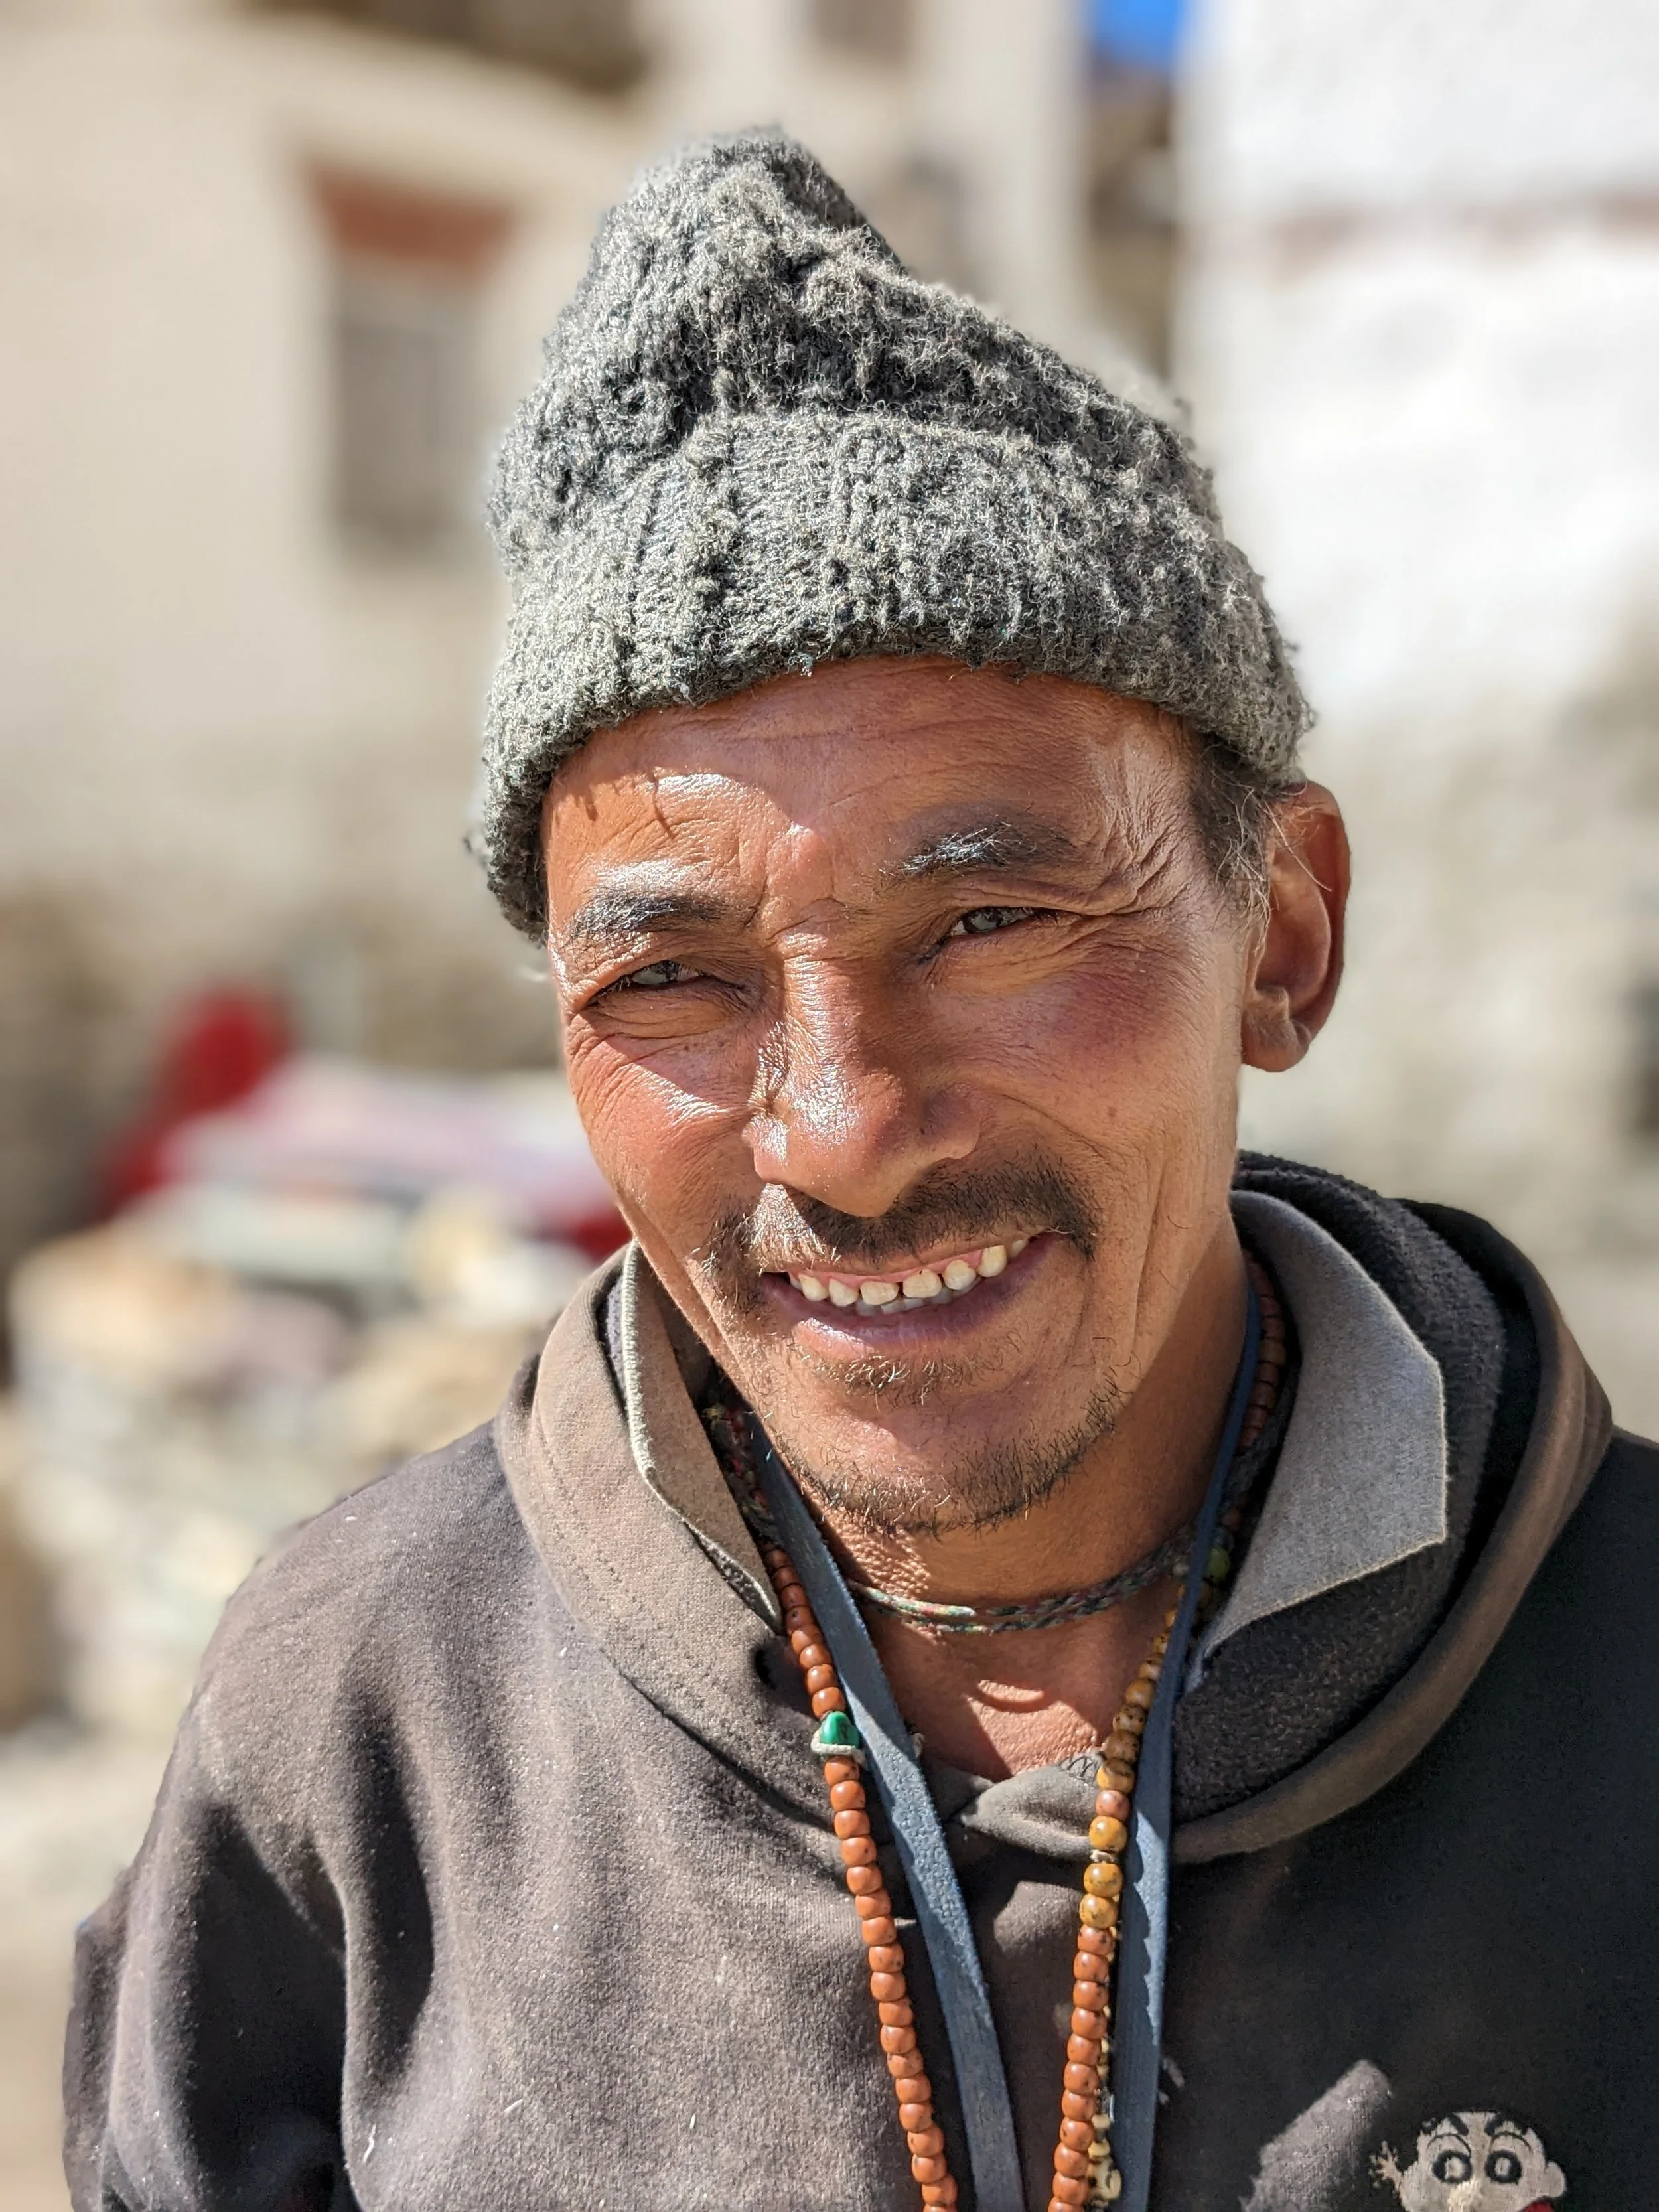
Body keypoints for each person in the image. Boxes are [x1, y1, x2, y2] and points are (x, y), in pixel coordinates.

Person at [66, 134, 1656, 2212]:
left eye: (988, 926)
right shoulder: (362, 1720)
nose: (839, 1127)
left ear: (1280, 934)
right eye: (673, 978)